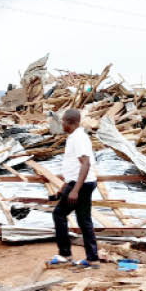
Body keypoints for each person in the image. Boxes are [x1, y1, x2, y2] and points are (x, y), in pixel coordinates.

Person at [48, 109, 100, 269]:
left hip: (82, 184)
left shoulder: (78, 138)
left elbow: (85, 164)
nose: (61, 124)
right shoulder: (76, 137)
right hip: (82, 182)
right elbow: (74, 168)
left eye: (63, 121)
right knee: (84, 221)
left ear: (70, 122)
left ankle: (65, 255)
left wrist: (75, 190)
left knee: (59, 214)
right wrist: (63, 188)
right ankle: (92, 259)